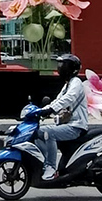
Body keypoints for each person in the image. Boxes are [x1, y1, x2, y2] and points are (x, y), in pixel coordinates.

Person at [35, 53, 88, 181]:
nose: (60, 68)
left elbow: (68, 99)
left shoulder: (76, 83)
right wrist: (39, 111)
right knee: (36, 133)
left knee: (48, 133)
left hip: (76, 126)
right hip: (66, 124)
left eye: (62, 65)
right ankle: (46, 161)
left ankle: (51, 167)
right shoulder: (67, 85)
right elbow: (57, 101)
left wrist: (51, 109)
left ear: (71, 68)